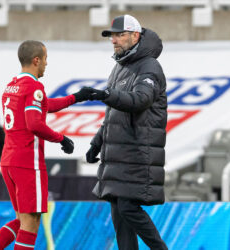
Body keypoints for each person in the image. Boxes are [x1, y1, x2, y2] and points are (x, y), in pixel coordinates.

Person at [0, 40, 92, 250]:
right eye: (45, 59)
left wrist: (75, 98)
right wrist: (61, 139)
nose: (46, 63)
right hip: (27, 163)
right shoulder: (34, 87)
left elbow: (43, 105)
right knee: (31, 223)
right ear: (36, 60)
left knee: (21, 222)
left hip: (9, 161)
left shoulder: (12, 86)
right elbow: (34, 123)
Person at [85, 15, 168, 250]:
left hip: (137, 150)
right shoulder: (119, 67)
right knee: (119, 214)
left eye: (120, 34)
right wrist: (97, 143)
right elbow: (114, 114)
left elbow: (140, 100)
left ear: (135, 36)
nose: (114, 40)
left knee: (128, 208)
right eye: (112, 35)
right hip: (119, 153)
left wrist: (105, 94)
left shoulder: (150, 66)